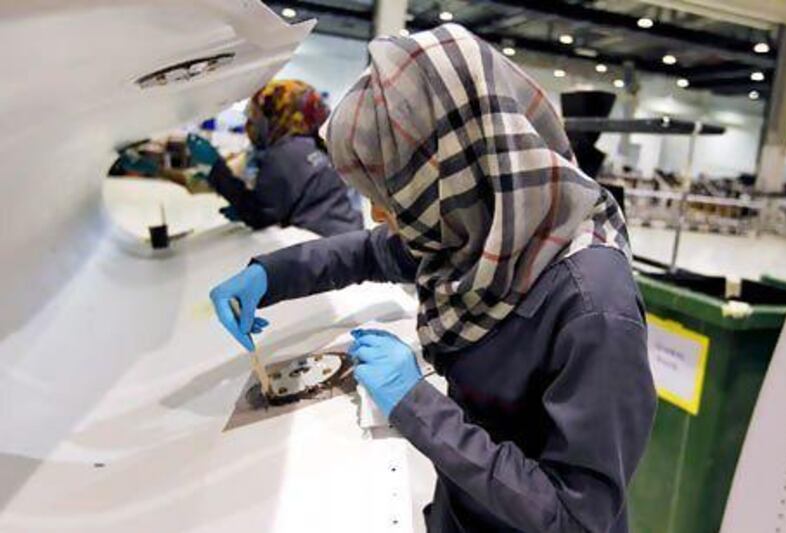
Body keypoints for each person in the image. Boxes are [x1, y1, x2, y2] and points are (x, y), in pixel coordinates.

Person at [209, 25, 656, 533]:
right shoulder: (483, 227)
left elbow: (578, 518)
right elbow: (368, 251)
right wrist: (269, 274)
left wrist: (417, 404)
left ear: (444, 172)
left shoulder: (593, 309)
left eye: (390, 192)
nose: (377, 214)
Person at [187, 80, 364, 237]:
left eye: (255, 117)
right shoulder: (320, 145)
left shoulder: (285, 153)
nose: (250, 126)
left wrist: (215, 168)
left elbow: (260, 215)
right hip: (347, 240)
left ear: (276, 115)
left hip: (321, 248)